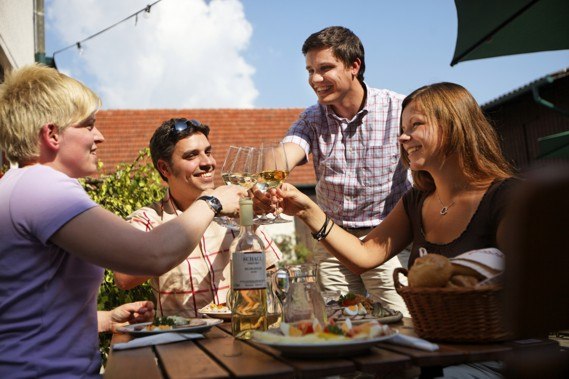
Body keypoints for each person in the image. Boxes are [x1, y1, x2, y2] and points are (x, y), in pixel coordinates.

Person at [0, 64, 245, 378]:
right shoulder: (42, 188)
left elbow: (29, 305)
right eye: (88, 125)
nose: (99, 136)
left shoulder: (22, 185)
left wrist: (104, 319)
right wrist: (213, 201)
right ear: (52, 134)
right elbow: (152, 255)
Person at [275, 82, 517, 378]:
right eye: (403, 127)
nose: (403, 137)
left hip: (490, 359)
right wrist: (307, 211)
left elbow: (528, 286)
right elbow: (363, 256)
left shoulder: (506, 197)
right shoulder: (417, 200)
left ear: (455, 127)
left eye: (416, 125)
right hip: (429, 354)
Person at [279, 26, 411, 314]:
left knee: (402, 322)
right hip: (331, 242)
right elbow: (288, 152)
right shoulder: (312, 118)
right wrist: (270, 170)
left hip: (387, 239)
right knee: (338, 323)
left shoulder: (398, 108)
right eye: (310, 70)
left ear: (354, 66)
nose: (315, 79)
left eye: (325, 68)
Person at [113, 119, 282, 318]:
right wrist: (208, 207)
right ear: (165, 168)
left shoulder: (237, 210)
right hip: (184, 343)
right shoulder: (150, 219)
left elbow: (272, 273)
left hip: (241, 333)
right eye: (192, 155)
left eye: (208, 152)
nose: (208, 163)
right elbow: (124, 278)